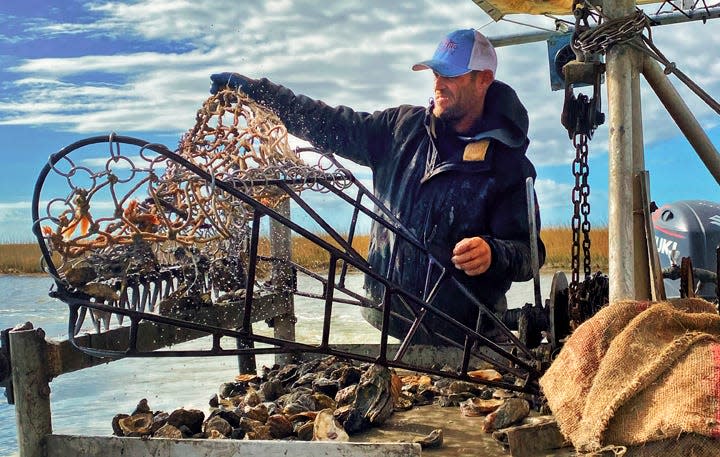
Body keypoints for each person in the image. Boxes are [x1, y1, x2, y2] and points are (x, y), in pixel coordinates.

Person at [210, 28, 545, 345]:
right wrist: (257, 94)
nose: (439, 84)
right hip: (389, 325)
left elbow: (530, 254)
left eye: (451, 75)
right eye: (436, 74)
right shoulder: (398, 129)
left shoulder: (509, 165)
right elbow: (327, 122)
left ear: (483, 79)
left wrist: (492, 252)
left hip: (469, 337)